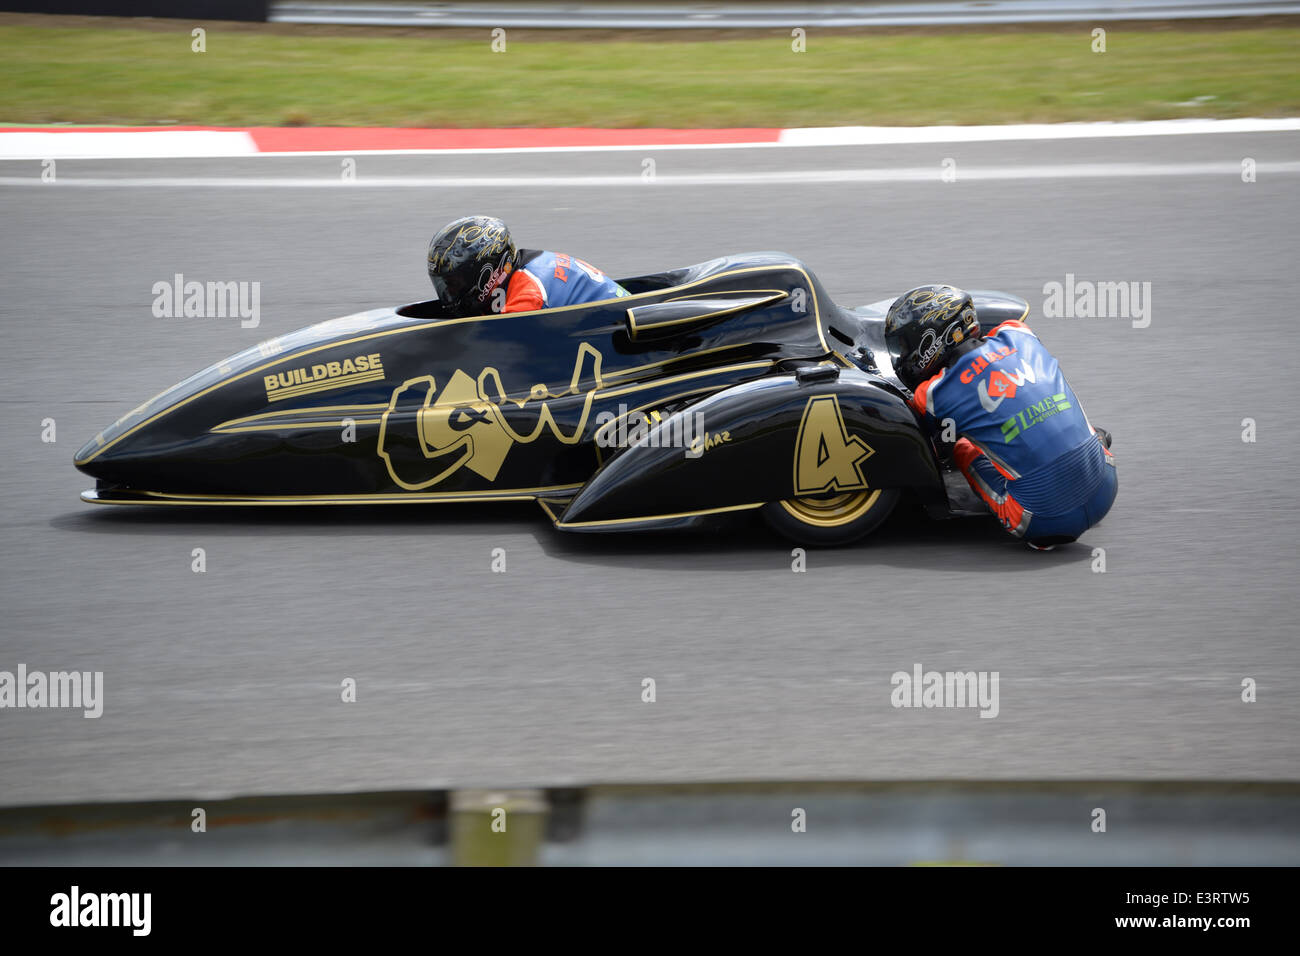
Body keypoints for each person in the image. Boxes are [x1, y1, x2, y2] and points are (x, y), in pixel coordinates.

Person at [883, 284, 1116, 550]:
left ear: (932, 339)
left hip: (1039, 521)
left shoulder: (932, 392)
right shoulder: (1018, 332)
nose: (903, 354)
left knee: (961, 446)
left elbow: (938, 450)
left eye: (906, 344)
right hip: (1107, 486)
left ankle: (1028, 507)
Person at [426, 215, 628, 317]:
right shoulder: (517, 271)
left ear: (485, 274)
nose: (449, 293)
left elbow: (505, 351)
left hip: (619, 329)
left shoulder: (527, 295)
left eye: (453, 283)